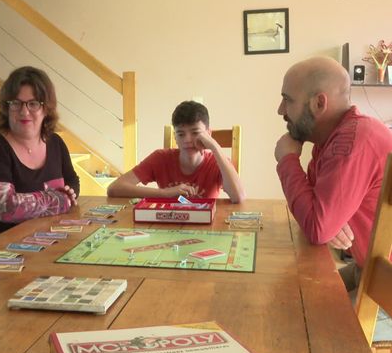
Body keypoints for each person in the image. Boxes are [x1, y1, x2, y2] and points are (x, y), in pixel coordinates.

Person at [274, 56, 392, 291]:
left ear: (319, 103)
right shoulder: (329, 138)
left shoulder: (350, 143)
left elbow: (317, 228)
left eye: (287, 100)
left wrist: (287, 160)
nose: (280, 110)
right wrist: (328, 217)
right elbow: (316, 213)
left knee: (299, 315)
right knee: (291, 289)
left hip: (383, 284)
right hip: (366, 267)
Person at [0, 66, 79, 248]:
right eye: (16, 103)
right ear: (6, 107)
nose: (24, 112)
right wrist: (60, 200)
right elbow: (6, 208)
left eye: (33, 103)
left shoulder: (55, 143)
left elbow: (72, 182)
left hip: (42, 241)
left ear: (46, 108)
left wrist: (67, 195)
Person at [107, 100, 245, 203]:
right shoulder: (160, 158)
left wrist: (214, 146)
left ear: (208, 134)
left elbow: (238, 197)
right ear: (175, 137)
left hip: (207, 225)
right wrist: (165, 193)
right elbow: (114, 188)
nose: (187, 140)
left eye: (195, 132)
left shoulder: (217, 161)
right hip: (168, 223)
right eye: (181, 134)